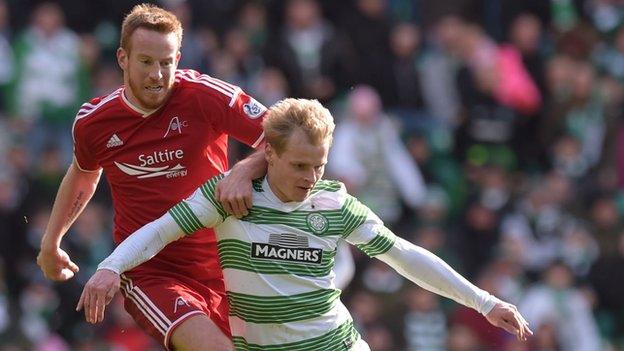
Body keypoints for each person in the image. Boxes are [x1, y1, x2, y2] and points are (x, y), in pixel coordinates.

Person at [78, 98, 533, 350]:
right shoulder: (231, 198)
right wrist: (111, 267)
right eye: (299, 165)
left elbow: (403, 254)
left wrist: (484, 301)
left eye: (318, 165)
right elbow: (159, 230)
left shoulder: (334, 203)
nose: (310, 178)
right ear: (268, 153)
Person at [36, 4, 268, 350]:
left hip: (227, 263)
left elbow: (283, 139)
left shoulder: (206, 96)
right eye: (145, 62)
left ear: (178, 57)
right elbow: (84, 174)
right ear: (122, 58)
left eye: (166, 62)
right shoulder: (94, 122)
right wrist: (51, 242)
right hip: (151, 271)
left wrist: (245, 169)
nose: (157, 75)